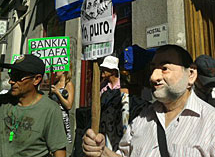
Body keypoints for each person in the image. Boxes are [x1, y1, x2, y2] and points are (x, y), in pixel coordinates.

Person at [83, 44, 215, 156]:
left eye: (164, 69)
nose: (153, 77)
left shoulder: (210, 122)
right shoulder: (141, 119)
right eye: (152, 69)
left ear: (191, 74)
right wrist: (101, 151)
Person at [0, 54, 68, 157]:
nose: (11, 81)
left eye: (18, 76)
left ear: (36, 79)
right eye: (11, 75)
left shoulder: (50, 110)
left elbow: (59, 152)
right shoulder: (3, 102)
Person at [50, 71, 75, 156]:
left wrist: (57, 93)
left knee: (59, 145)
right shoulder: (55, 83)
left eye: (57, 69)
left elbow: (69, 105)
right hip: (52, 116)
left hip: (62, 118)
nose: (55, 72)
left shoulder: (68, 84)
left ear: (64, 70)